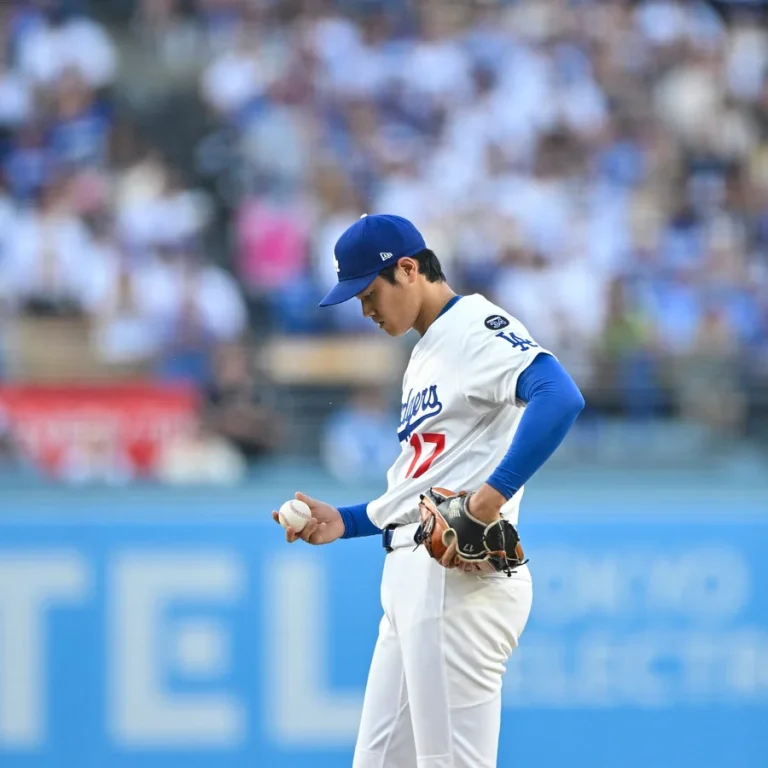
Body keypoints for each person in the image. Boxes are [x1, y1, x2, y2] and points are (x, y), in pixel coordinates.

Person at [272, 214, 585, 768]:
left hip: (453, 580)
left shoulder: (473, 327)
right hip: (413, 573)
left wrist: (490, 497)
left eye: (369, 294)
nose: (365, 311)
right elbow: (423, 480)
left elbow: (558, 395)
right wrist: (348, 520)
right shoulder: (426, 350)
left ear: (408, 270)